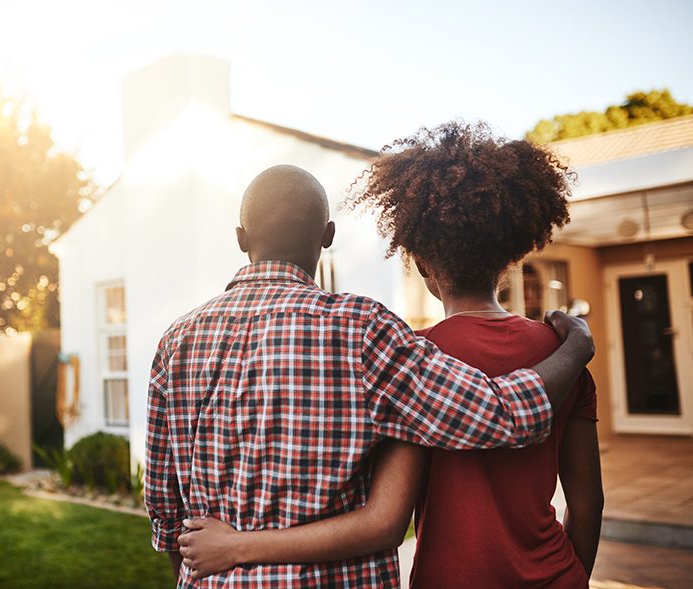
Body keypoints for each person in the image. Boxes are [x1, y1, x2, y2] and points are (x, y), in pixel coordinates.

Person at [176, 124, 603, 588]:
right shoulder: (557, 357)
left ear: (420, 263)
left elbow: (385, 517)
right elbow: (588, 502)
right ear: (511, 256)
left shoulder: (413, 352)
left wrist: (234, 545)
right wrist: (577, 346)